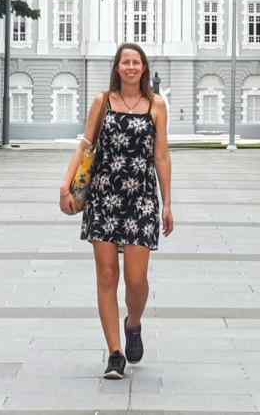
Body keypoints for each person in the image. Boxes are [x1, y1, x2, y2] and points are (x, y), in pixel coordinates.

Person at [58, 43, 174, 380]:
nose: (131, 67)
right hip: (104, 196)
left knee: (137, 281)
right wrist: (66, 185)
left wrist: (168, 203)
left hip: (141, 199)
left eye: (136, 62)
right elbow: (86, 146)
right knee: (108, 275)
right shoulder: (102, 102)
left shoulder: (156, 105)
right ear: (117, 67)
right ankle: (114, 353)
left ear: (144, 68)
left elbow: (162, 156)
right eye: (125, 62)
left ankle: (133, 323)